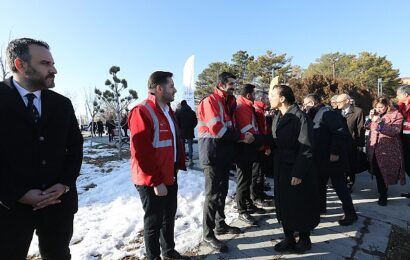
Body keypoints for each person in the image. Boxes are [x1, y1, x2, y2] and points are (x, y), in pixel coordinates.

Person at [0, 38, 83, 259]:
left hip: (58, 207)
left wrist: (64, 184)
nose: (54, 69)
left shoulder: (62, 104)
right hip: (9, 209)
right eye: (45, 63)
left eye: (52, 63)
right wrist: (17, 193)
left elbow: (75, 147)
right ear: (20, 65)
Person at [128, 71, 190, 260]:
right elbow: (142, 152)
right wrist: (155, 182)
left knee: (168, 216)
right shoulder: (142, 111)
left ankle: (169, 251)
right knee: (154, 222)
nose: (175, 90)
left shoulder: (168, 111)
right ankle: (153, 257)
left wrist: (178, 162)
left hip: (168, 174)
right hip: (150, 179)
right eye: (171, 86)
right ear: (159, 88)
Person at [198, 72, 254, 252]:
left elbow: (228, 129)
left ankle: (220, 224)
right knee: (212, 195)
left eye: (234, 83)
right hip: (212, 154)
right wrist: (242, 137)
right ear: (221, 84)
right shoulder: (211, 101)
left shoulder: (227, 102)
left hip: (222, 154)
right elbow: (218, 129)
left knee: (221, 192)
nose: (234, 87)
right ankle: (208, 235)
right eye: (231, 84)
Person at [269, 85, 319, 254]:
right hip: (281, 167)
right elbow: (274, 139)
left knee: (300, 204)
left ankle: (305, 239)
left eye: (273, 95)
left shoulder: (301, 117)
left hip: (296, 168)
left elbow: (306, 147)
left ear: (282, 98)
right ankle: (288, 237)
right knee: (284, 204)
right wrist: (256, 139)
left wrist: (298, 172)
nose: (270, 98)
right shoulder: (278, 116)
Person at [303, 94, 358, 225]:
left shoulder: (326, 112)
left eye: (305, 104)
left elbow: (339, 132)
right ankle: (320, 208)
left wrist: (334, 152)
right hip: (321, 157)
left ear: (312, 102)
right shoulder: (316, 113)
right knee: (320, 184)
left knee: (339, 185)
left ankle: (351, 213)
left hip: (332, 157)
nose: (304, 107)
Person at [234, 84, 265, 225]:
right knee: (243, 181)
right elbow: (247, 129)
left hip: (249, 147)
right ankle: (242, 210)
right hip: (243, 149)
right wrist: (259, 140)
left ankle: (248, 204)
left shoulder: (247, 106)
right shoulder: (242, 107)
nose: (255, 96)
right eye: (253, 93)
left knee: (247, 179)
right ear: (248, 95)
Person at [366, 97, 406, 206]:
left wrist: (380, 123)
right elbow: (367, 127)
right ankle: (381, 191)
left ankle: (383, 195)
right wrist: (370, 119)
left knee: (384, 171)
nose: (378, 109)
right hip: (374, 147)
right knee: (378, 171)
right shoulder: (375, 114)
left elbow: (395, 131)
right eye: (376, 107)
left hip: (388, 149)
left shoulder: (397, 115)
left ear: (387, 105)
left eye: (381, 107)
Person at [336, 93, 365, 190]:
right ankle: (341, 182)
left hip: (351, 144)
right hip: (338, 143)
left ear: (347, 101)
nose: (337, 103)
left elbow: (360, 128)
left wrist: (361, 144)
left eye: (339, 102)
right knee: (339, 165)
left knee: (350, 166)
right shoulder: (335, 111)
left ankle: (349, 184)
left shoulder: (358, 111)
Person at [252, 90, 273, 207]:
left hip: (263, 146)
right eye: (266, 99)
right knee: (256, 173)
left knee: (261, 173)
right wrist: (265, 147)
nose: (268, 101)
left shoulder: (261, 111)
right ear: (260, 99)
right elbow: (260, 131)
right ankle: (255, 196)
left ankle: (260, 193)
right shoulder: (257, 111)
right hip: (259, 148)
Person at [397, 85, 410, 206]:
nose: (397, 97)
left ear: (406, 95)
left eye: (398, 94)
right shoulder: (402, 107)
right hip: (405, 141)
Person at [175, 100, 198, 166]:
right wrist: (192, 127)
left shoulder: (179, 112)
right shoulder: (192, 112)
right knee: (190, 146)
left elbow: (177, 122)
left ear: (182, 105)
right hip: (190, 131)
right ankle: (190, 160)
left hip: (182, 132)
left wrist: (180, 128)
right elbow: (195, 121)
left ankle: (183, 159)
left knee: (182, 146)